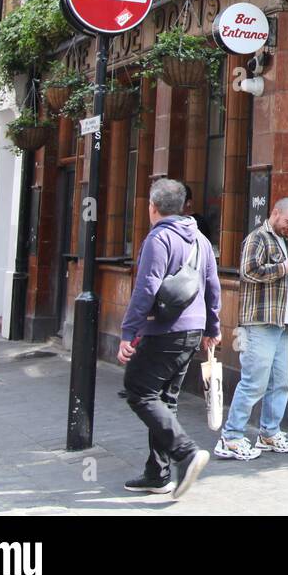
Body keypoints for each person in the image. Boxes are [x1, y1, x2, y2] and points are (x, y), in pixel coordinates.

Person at [117, 179, 221, 498]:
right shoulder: (201, 240)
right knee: (165, 398)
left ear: (153, 207)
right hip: (192, 331)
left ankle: (186, 453)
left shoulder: (159, 238)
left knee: (139, 390)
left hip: (166, 330)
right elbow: (212, 285)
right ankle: (158, 473)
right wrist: (212, 329)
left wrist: (128, 333)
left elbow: (146, 288)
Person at [215, 197, 288, 461]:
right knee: (254, 382)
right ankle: (231, 437)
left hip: (281, 322)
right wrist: (283, 267)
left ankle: (269, 433)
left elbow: (284, 282)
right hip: (259, 323)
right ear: (275, 212)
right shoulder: (257, 238)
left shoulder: (285, 242)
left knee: (280, 383)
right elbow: (248, 272)